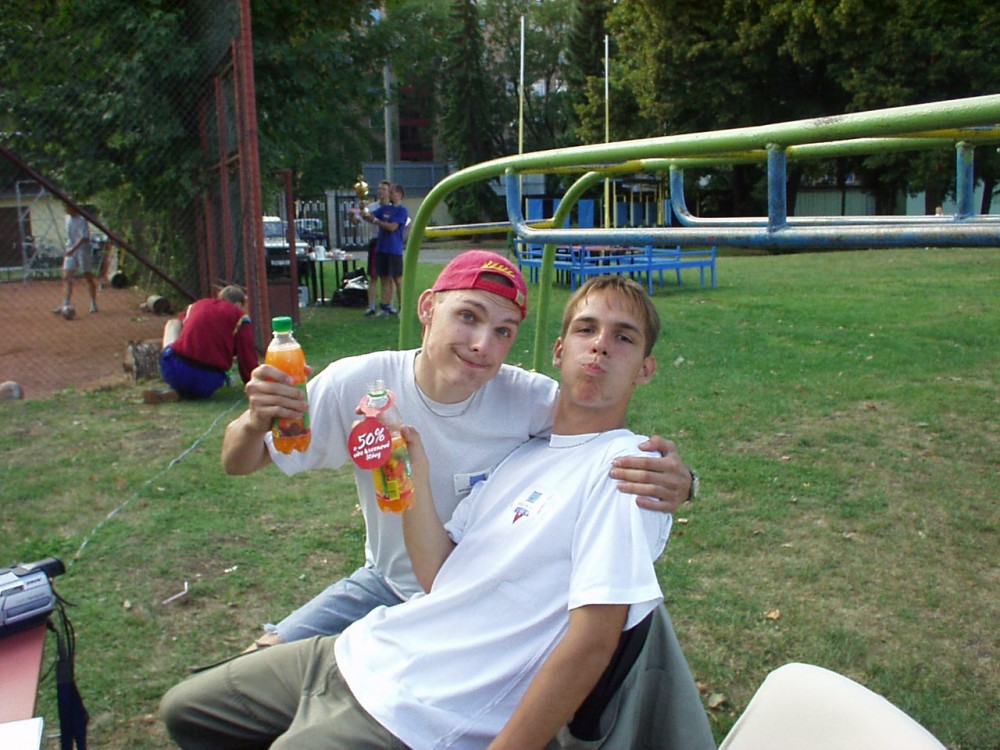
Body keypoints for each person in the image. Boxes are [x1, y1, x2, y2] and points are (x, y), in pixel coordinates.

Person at [162, 275, 674, 749]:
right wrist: (407, 469)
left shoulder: (623, 467)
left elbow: (594, 639)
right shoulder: (522, 452)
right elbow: (439, 573)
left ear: (646, 369)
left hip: (425, 703)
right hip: (378, 631)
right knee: (185, 709)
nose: (600, 345)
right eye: (586, 329)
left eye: (623, 337)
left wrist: (685, 481)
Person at [221, 250, 696, 651]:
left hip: (478, 605)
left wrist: (685, 482)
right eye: (468, 316)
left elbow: (600, 434)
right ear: (428, 307)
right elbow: (240, 461)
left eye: (503, 331)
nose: (482, 345)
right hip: (387, 584)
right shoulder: (358, 383)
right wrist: (254, 421)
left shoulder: (529, 400)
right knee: (253, 664)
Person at [143, 285, 259, 403]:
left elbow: (183, 322)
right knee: (201, 378)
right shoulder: (240, 317)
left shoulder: (198, 305)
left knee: (173, 323)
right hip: (208, 379)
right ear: (238, 304)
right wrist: (252, 382)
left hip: (174, 369)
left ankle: (175, 389)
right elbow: (247, 356)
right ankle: (182, 393)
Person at [362, 182, 408, 316]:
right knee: (384, 278)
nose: (389, 194)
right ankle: (385, 307)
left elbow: (392, 227)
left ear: (399, 194)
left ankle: (402, 307)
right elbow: (369, 216)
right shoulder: (385, 209)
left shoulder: (402, 210)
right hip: (381, 249)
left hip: (394, 249)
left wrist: (376, 221)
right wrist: (363, 209)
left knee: (397, 279)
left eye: (391, 192)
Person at [352, 179, 391, 316]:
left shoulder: (393, 208)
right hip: (375, 242)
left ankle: (387, 305)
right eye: (379, 189)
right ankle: (371, 307)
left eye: (384, 189)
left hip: (389, 243)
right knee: (373, 276)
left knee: (387, 277)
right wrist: (355, 213)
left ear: (389, 192)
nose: (381, 192)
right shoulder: (372, 207)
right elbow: (357, 220)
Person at [54, 205, 98, 315]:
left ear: (73, 208)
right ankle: (65, 304)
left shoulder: (82, 219)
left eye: (67, 208)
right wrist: (70, 249)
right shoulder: (67, 218)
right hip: (71, 248)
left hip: (83, 249)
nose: (66, 210)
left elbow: (84, 237)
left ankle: (93, 303)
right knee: (66, 277)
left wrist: (73, 249)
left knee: (87, 276)